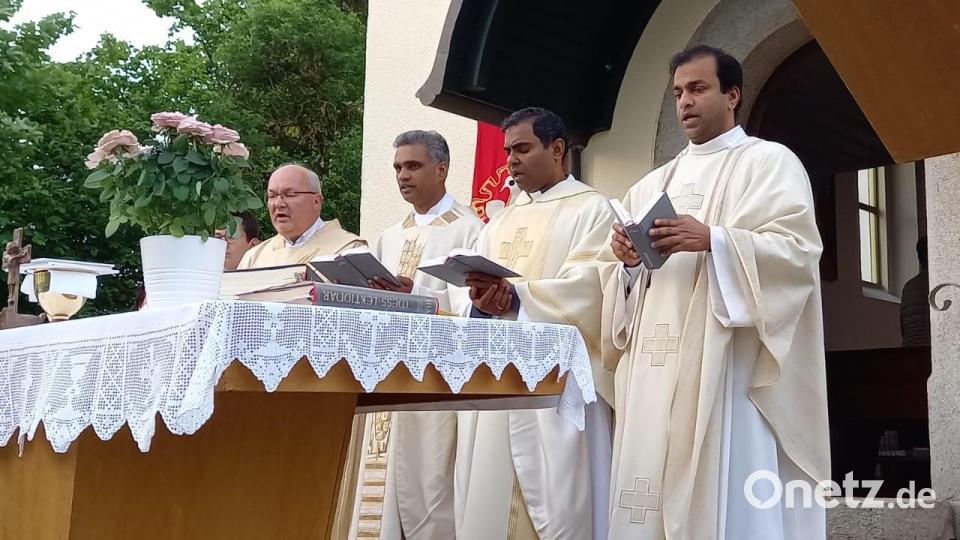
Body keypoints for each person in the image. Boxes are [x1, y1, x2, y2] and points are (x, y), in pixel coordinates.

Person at [600, 45, 829, 539]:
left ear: (732, 95)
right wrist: (628, 264)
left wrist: (716, 241)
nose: (684, 101)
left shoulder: (770, 164)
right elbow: (622, 296)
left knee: (726, 493)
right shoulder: (651, 185)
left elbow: (798, 253)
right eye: (678, 92)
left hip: (725, 367)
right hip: (652, 366)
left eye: (698, 88)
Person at [455, 107, 616, 540]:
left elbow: (594, 286)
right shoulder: (500, 219)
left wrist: (519, 296)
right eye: (508, 150)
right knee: (488, 496)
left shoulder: (593, 209)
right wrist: (481, 302)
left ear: (557, 148)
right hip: (496, 378)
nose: (511, 160)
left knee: (561, 505)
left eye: (523, 149)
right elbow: (470, 295)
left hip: (557, 384)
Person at [351, 130, 483, 540]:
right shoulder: (390, 236)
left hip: (435, 381)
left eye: (412, 166)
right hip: (388, 373)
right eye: (397, 168)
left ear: (441, 169)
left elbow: (473, 308)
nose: (402, 175)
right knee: (380, 488)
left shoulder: (470, 229)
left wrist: (418, 296)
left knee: (431, 486)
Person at [237, 164, 365, 268]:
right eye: (272, 196)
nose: (278, 204)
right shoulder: (254, 258)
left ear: (316, 201)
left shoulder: (348, 251)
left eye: (290, 195)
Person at [901, 237, 930, 347]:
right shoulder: (941, 286)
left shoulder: (909, 286)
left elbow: (903, 328)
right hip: (934, 348)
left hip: (910, 348)